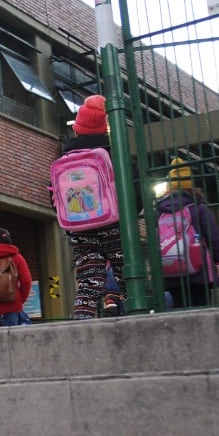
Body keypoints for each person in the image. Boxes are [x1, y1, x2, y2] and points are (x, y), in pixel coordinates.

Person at [57, 95, 127, 320]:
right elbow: (132, 189)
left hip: (78, 227)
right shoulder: (113, 153)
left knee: (88, 279)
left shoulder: (65, 157)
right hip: (112, 222)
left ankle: (81, 326)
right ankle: (135, 319)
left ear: (77, 129)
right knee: (125, 273)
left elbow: (55, 195)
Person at [156, 158, 219, 308]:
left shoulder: (159, 211)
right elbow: (213, 236)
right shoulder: (198, 208)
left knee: (179, 308)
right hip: (198, 272)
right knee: (201, 307)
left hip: (170, 272)